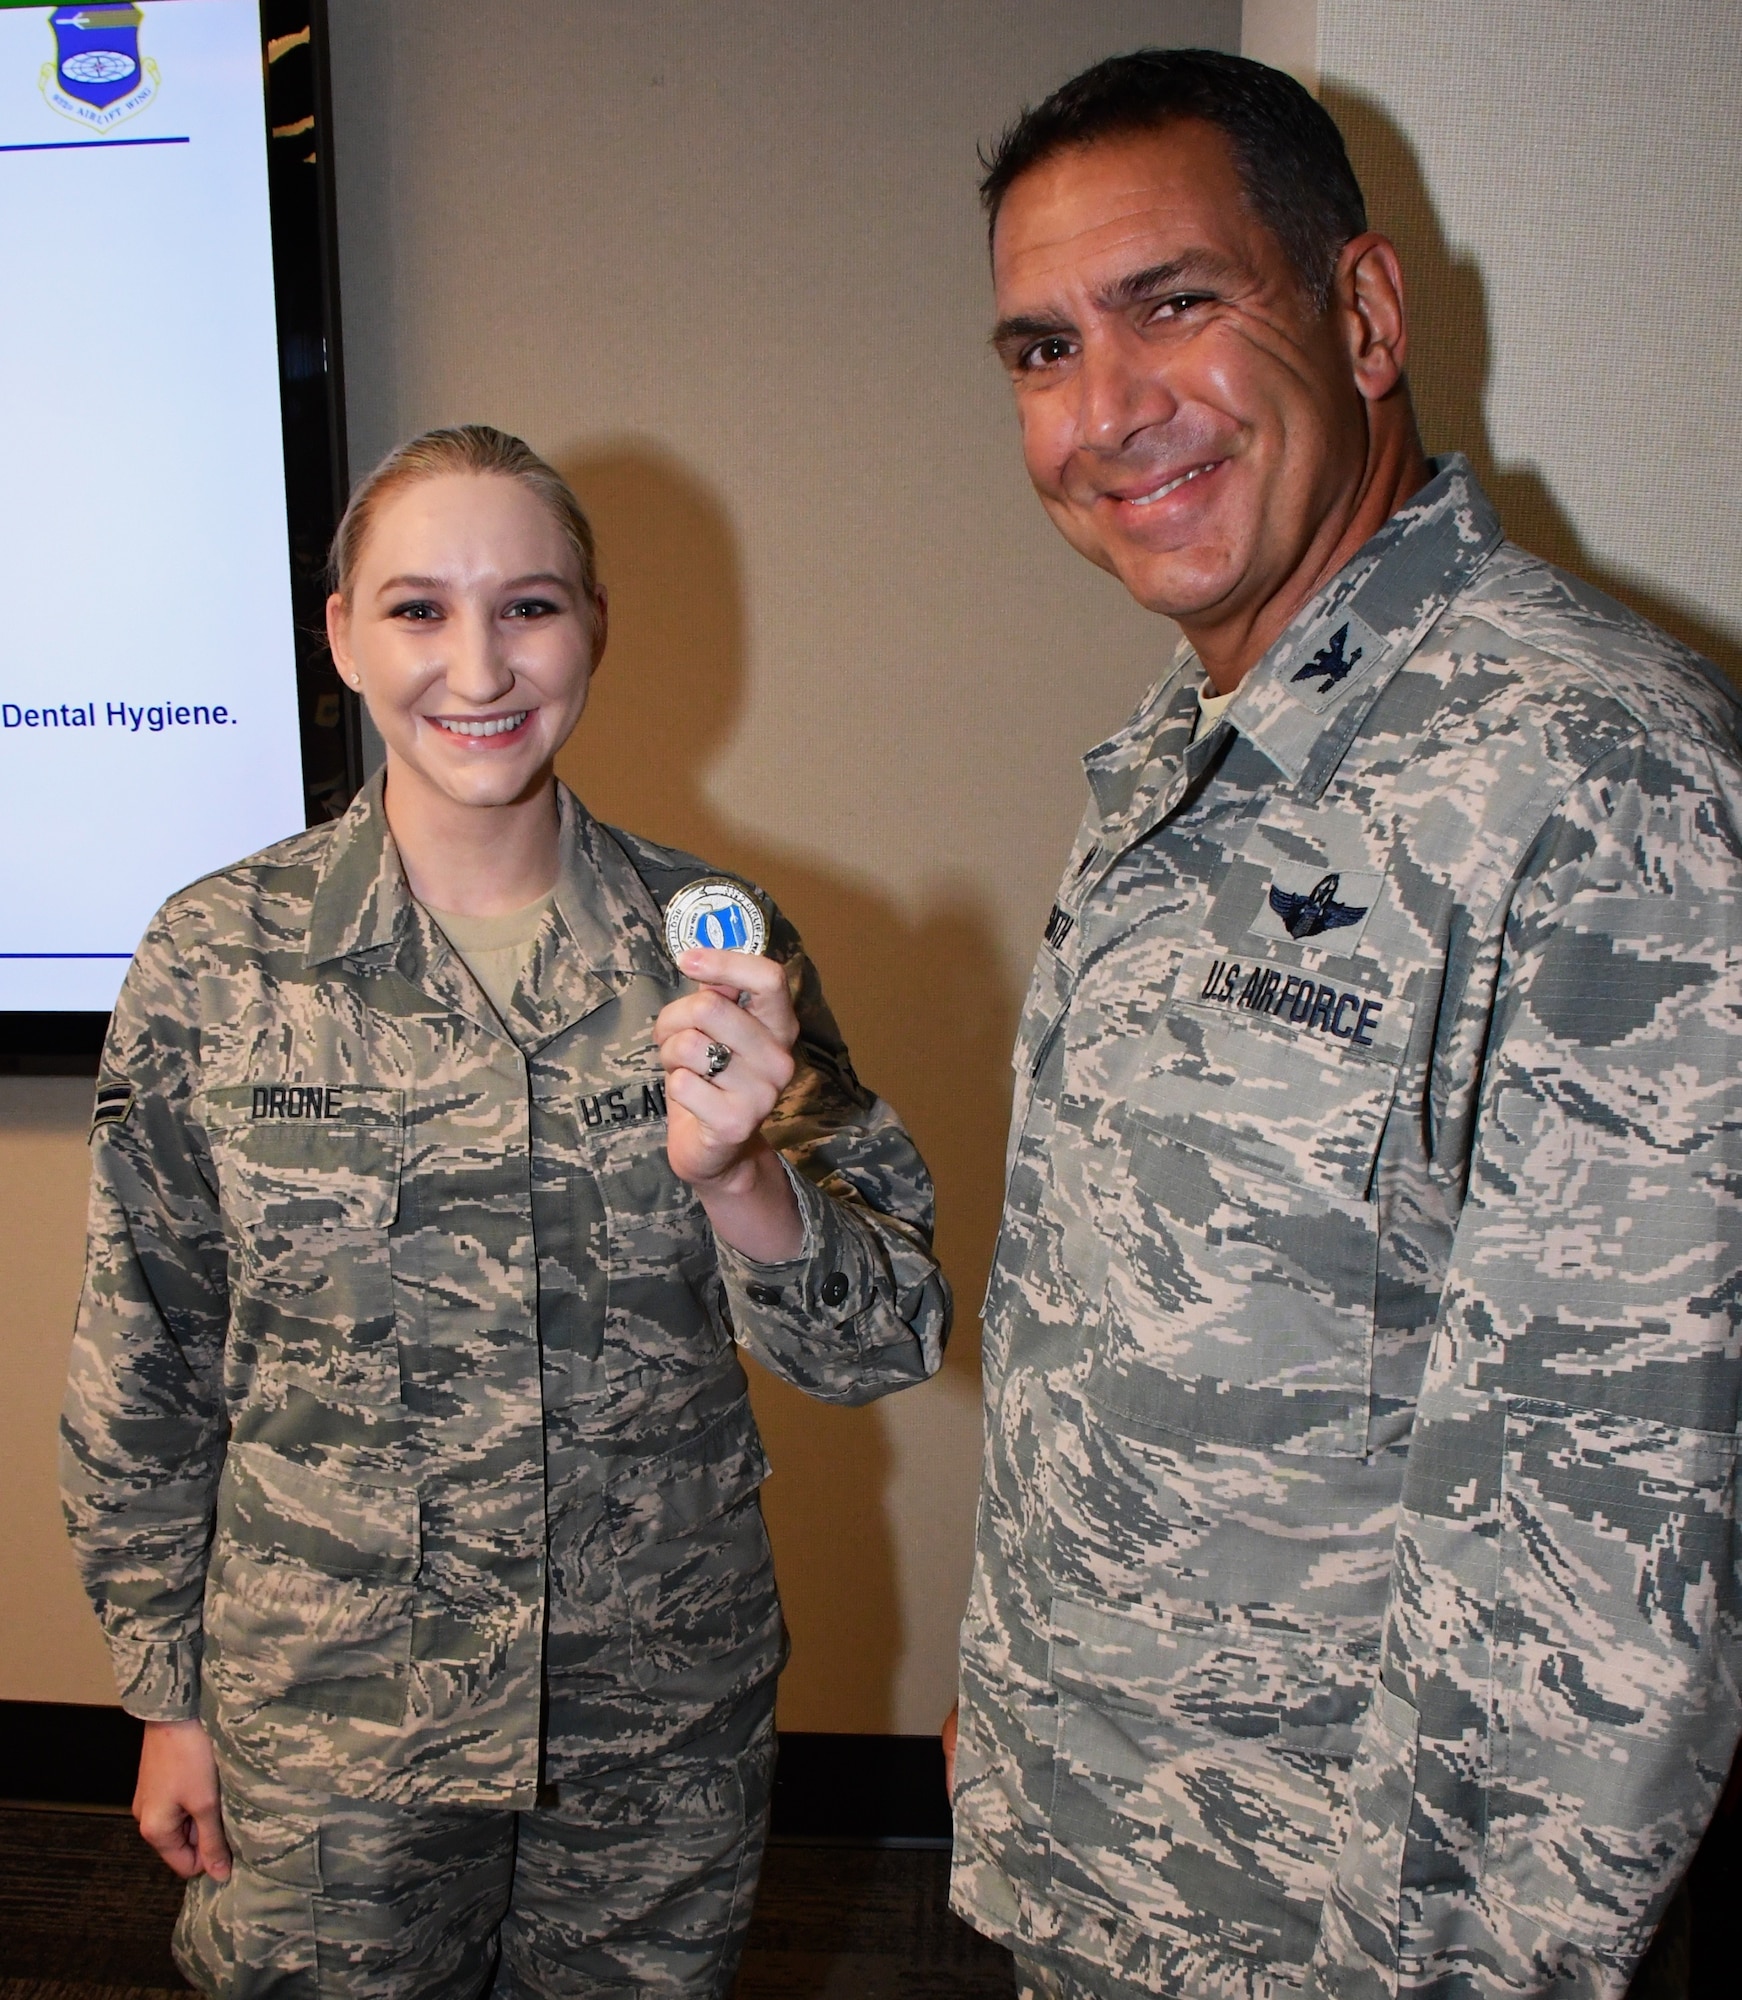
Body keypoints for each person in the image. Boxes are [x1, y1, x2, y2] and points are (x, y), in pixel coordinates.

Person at [944, 47, 1742, 2000]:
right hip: (1115, 1877)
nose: (1106, 413)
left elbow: (1605, 1562)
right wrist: (1037, 1711)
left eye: (1175, 307)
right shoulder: (1173, 762)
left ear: (1364, 315)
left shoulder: (1594, 778)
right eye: (1040, 350)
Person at [62, 424, 951, 1999]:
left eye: (528, 606)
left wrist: (744, 1179)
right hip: (332, 1721)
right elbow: (145, 1356)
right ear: (338, 634)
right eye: (416, 609)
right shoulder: (218, 959)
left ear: (593, 627)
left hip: (648, 1727)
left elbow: (886, 1338)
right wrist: (165, 1696)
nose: (477, 664)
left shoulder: (712, 948)